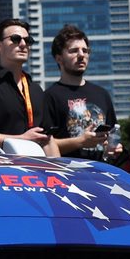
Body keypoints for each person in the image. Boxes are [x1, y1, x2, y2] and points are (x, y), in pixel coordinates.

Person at [0, 19, 58, 154]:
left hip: (36, 169)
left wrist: (62, 172)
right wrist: (20, 139)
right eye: (15, 39)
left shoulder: (36, 90)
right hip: (1, 170)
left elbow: (48, 139)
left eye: (28, 40)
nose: (23, 44)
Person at [42, 25, 117, 161]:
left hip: (102, 174)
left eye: (85, 50)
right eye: (74, 51)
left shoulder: (102, 94)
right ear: (59, 59)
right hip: (68, 175)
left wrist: (114, 148)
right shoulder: (49, 97)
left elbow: (112, 135)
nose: (82, 55)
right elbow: (43, 144)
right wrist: (80, 142)